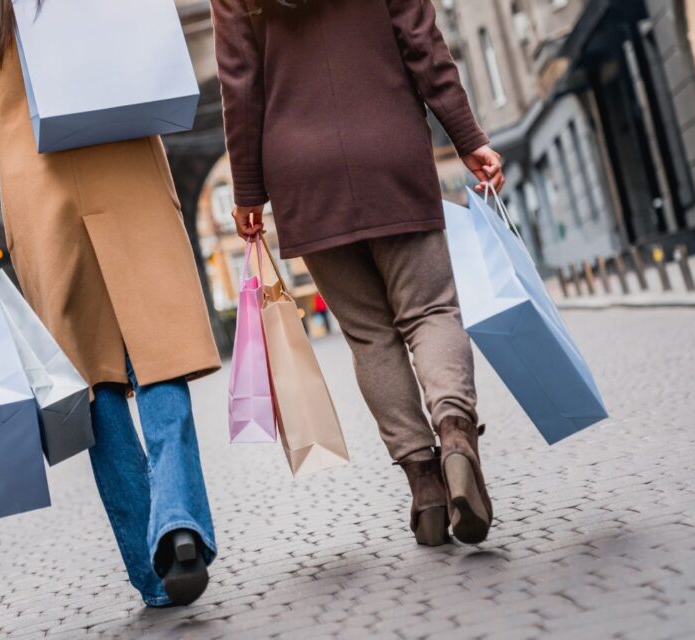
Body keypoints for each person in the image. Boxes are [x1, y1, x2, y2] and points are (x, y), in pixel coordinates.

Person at [0, 0, 220, 606]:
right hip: (124, 149)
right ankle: (178, 518)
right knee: (160, 348)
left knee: (92, 380)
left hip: (39, 186)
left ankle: (155, 572)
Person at [213, 0, 504, 546]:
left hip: (303, 172)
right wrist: (467, 137)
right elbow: (423, 42)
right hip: (388, 147)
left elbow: (239, 82)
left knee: (371, 337)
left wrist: (248, 191)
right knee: (431, 310)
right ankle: (456, 435)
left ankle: (424, 486)